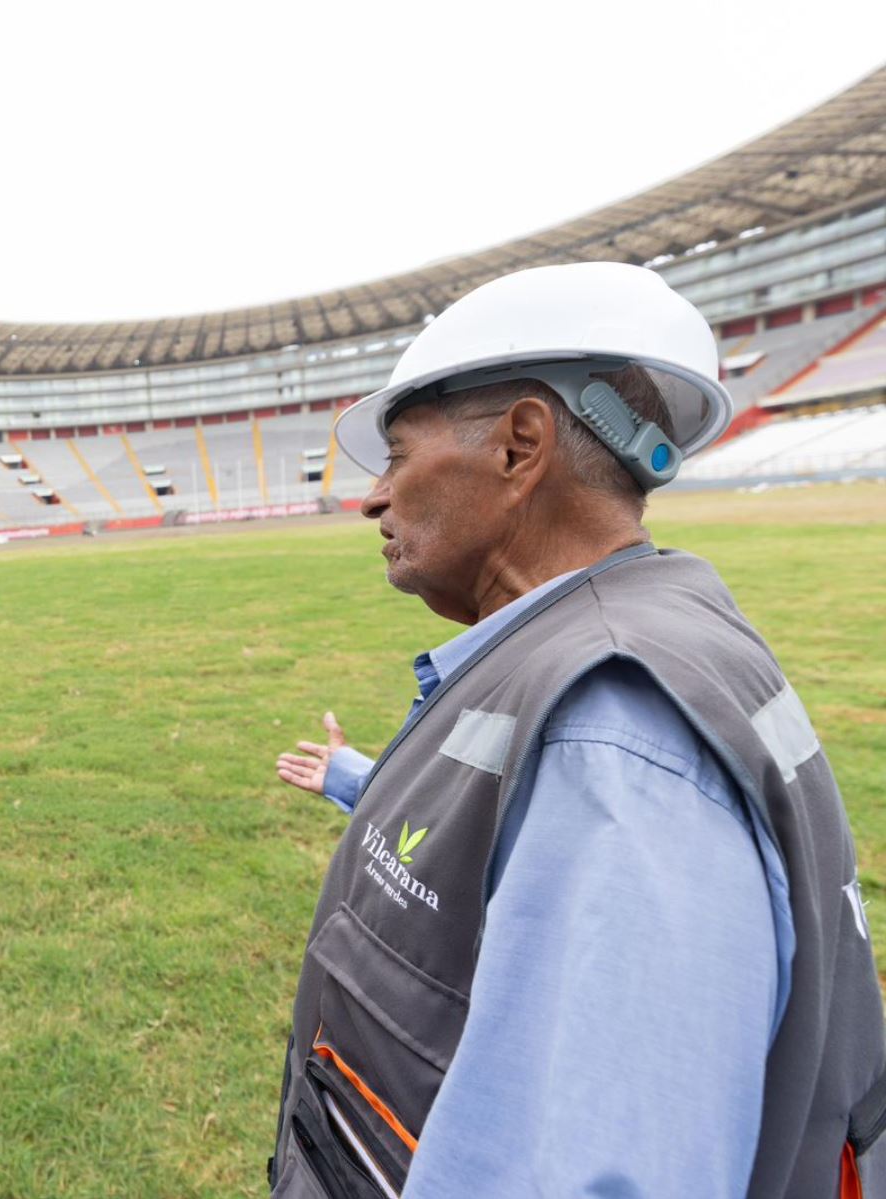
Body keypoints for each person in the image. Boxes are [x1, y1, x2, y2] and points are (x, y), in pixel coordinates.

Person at [264, 262, 886, 1198]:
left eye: (397, 455)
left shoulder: (616, 733)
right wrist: (360, 777)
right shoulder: (603, 662)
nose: (372, 497)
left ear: (520, 446)